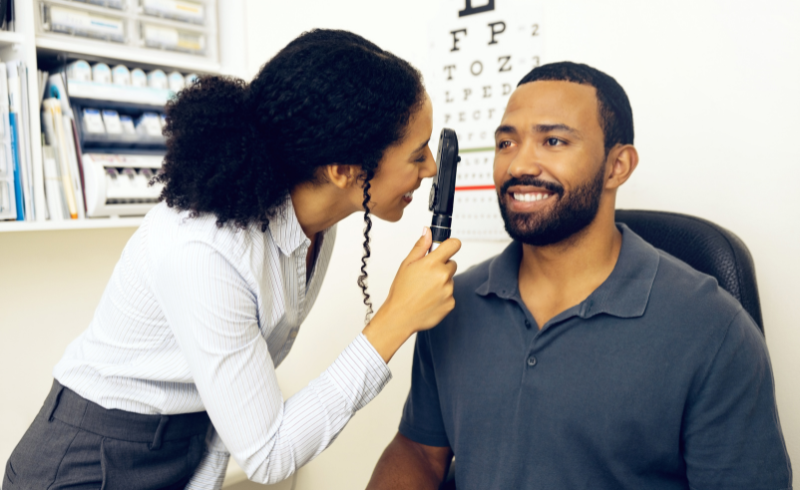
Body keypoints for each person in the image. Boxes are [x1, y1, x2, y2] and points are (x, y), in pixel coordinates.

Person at [4, 29, 462, 490]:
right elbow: (268, 455)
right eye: (418, 154)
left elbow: (236, 399)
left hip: (184, 443)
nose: (431, 170)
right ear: (344, 170)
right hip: (89, 460)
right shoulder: (205, 248)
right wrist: (393, 320)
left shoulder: (319, 224)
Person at [367, 62, 791, 489]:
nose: (519, 164)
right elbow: (420, 452)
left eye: (553, 141)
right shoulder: (449, 301)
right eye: (506, 143)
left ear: (617, 166)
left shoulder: (713, 329)